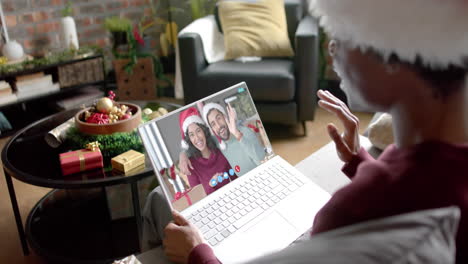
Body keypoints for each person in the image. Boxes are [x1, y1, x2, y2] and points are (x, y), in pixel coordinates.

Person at [162, 1, 468, 263]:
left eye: (342, 34)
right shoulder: (433, 174)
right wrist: (363, 165)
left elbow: (390, 203)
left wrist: (197, 253)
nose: (332, 48)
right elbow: (413, 191)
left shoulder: (353, 211)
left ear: (393, 53)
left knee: (157, 205)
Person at [180, 102, 266, 177]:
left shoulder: (244, 132)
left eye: (219, 118)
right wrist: (183, 156)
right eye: (213, 124)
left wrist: (238, 135)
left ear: (225, 117)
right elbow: (196, 145)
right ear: (212, 129)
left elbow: (262, 161)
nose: (218, 126)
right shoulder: (217, 142)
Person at [178, 107, 237, 195]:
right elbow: (198, 197)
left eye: (198, 131)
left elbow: (235, 177)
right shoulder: (191, 166)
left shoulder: (220, 151)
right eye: (192, 135)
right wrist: (211, 184)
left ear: (204, 131)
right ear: (189, 139)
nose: (197, 138)